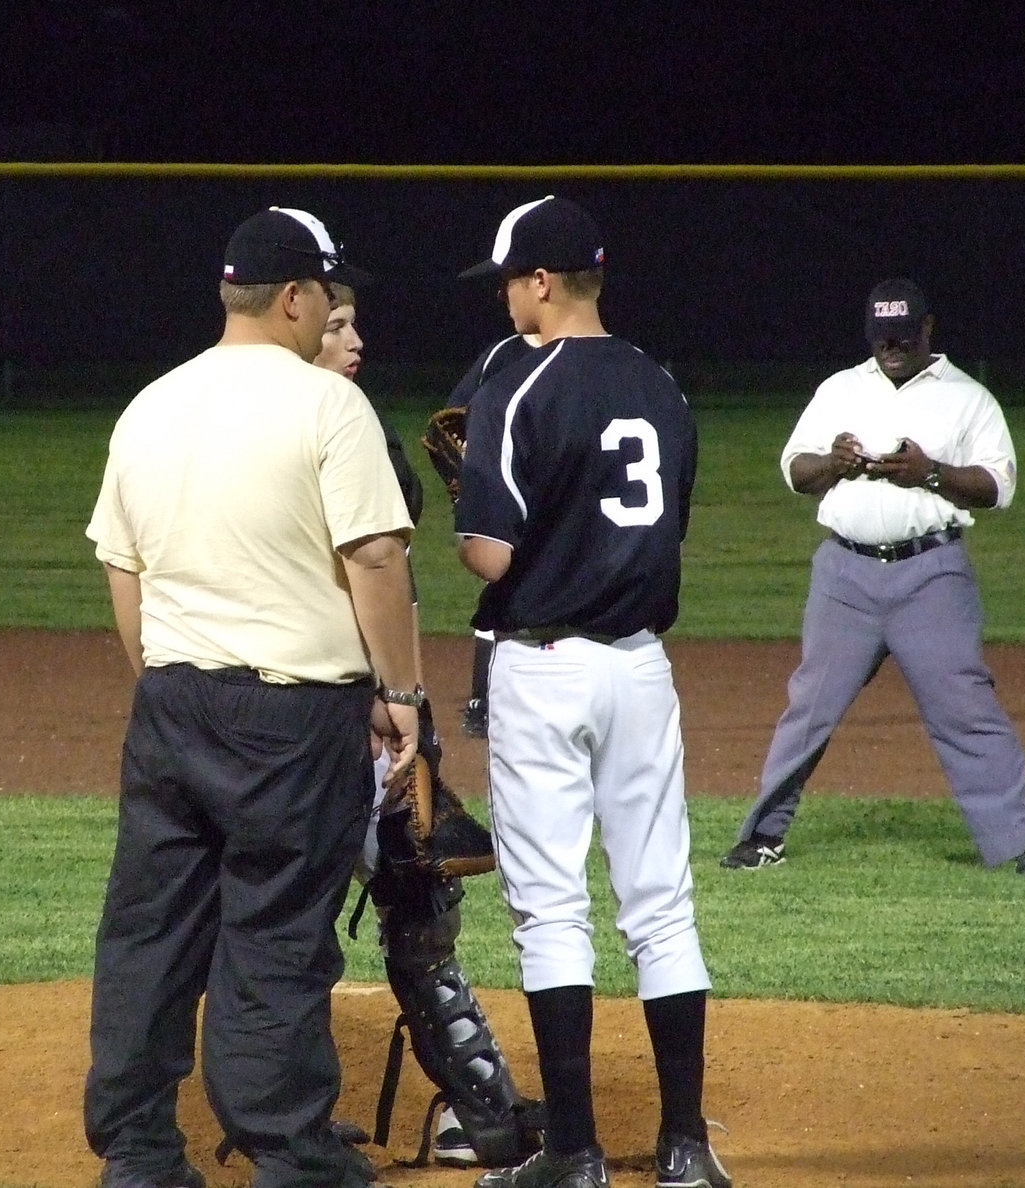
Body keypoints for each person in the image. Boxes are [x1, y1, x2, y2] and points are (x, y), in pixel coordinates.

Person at [82, 205, 422, 1188]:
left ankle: (139, 1156)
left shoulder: (150, 405)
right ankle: (291, 1155)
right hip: (294, 717)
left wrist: (167, 683)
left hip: (174, 706)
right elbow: (377, 556)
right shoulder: (328, 408)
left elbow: (123, 570)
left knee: (146, 932)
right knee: (274, 934)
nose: (329, 312)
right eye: (325, 292)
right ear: (294, 297)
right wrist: (399, 690)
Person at [455, 195, 731, 1188]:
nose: (500, 298)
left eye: (506, 280)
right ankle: (686, 1147)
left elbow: (489, 554)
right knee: (661, 903)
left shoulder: (516, 388)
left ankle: (571, 1153)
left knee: (552, 909)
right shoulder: (664, 386)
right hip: (641, 670)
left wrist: (469, 502)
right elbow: (667, 529)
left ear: (541, 282)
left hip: (544, 668)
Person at [313, 285, 544, 1171]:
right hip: (331, 705)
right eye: (336, 324)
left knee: (420, 898)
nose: (358, 340)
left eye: (357, 321)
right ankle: (284, 1113)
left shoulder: (354, 417)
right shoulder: (289, 428)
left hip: (384, 703)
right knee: (296, 921)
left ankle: (474, 1106)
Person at [720, 278, 1025, 876]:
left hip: (932, 575)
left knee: (964, 707)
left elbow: (999, 487)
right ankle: (761, 835)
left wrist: (930, 474)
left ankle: (1022, 842)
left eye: (901, 335)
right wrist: (833, 464)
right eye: (880, 336)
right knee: (809, 708)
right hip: (844, 577)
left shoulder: (968, 398)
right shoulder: (840, 388)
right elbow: (796, 469)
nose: (890, 347)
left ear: (927, 329)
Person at [443, 334, 542, 740]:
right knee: (500, 581)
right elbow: (450, 420)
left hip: (550, 494)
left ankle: (488, 702)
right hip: (506, 492)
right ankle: (483, 701)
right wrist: (475, 482)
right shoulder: (504, 353)